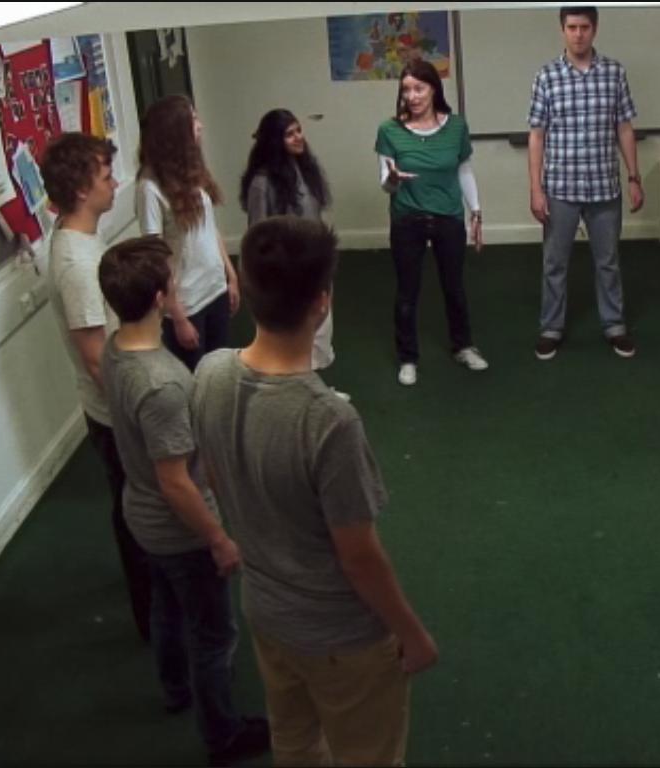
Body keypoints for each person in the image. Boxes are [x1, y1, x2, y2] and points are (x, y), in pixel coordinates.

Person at [191, 217, 438, 766]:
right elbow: (358, 557)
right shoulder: (329, 421)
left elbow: (212, 475)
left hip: (266, 614)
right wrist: (412, 633)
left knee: (296, 746)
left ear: (249, 290)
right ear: (321, 302)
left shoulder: (208, 374)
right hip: (341, 637)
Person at [97, 236, 270, 767]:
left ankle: (175, 688)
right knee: (213, 633)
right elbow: (177, 481)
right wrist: (218, 539)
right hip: (179, 531)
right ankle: (221, 733)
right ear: (158, 299)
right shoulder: (164, 384)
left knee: (167, 610)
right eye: (171, 282)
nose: (176, 288)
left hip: (141, 516)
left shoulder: (114, 349)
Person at [39, 132, 152, 643]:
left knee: (134, 506)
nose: (115, 184)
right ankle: (152, 611)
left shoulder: (80, 240)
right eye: (107, 177)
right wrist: (139, 418)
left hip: (116, 410)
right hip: (116, 417)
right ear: (83, 190)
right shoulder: (78, 264)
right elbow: (93, 358)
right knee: (136, 510)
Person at [528, 5, 644, 361]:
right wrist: (536, 188)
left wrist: (634, 176)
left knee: (607, 261)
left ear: (595, 29)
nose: (578, 34)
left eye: (584, 27)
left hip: (603, 188)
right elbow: (536, 135)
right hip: (560, 188)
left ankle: (614, 325)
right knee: (555, 263)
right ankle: (551, 327)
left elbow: (624, 127)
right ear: (562, 29)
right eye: (572, 27)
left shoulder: (613, 73)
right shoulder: (546, 76)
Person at [376, 60, 488, 387]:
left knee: (454, 288)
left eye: (419, 88)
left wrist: (476, 211)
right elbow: (385, 181)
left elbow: (463, 170)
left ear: (433, 89)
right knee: (407, 293)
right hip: (407, 220)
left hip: (448, 218)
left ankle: (463, 346)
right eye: (406, 90)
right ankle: (408, 359)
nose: (412, 96)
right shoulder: (389, 130)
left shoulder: (455, 127)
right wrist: (393, 179)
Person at [137, 94, 239, 372]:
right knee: (196, 380)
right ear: (175, 130)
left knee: (220, 373)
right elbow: (155, 259)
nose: (200, 125)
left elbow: (209, 227)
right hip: (188, 302)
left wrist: (230, 274)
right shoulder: (149, 187)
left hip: (214, 288)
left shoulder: (191, 170)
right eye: (193, 119)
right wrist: (178, 315)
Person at [241, 108, 339, 380]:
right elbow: (257, 236)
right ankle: (296, 394)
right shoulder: (262, 183)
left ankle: (316, 390)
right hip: (286, 275)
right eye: (289, 134)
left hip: (314, 266)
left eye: (299, 131)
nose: (298, 138)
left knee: (319, 334)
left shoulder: (305, 170)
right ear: (274, 141)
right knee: (292, 340)